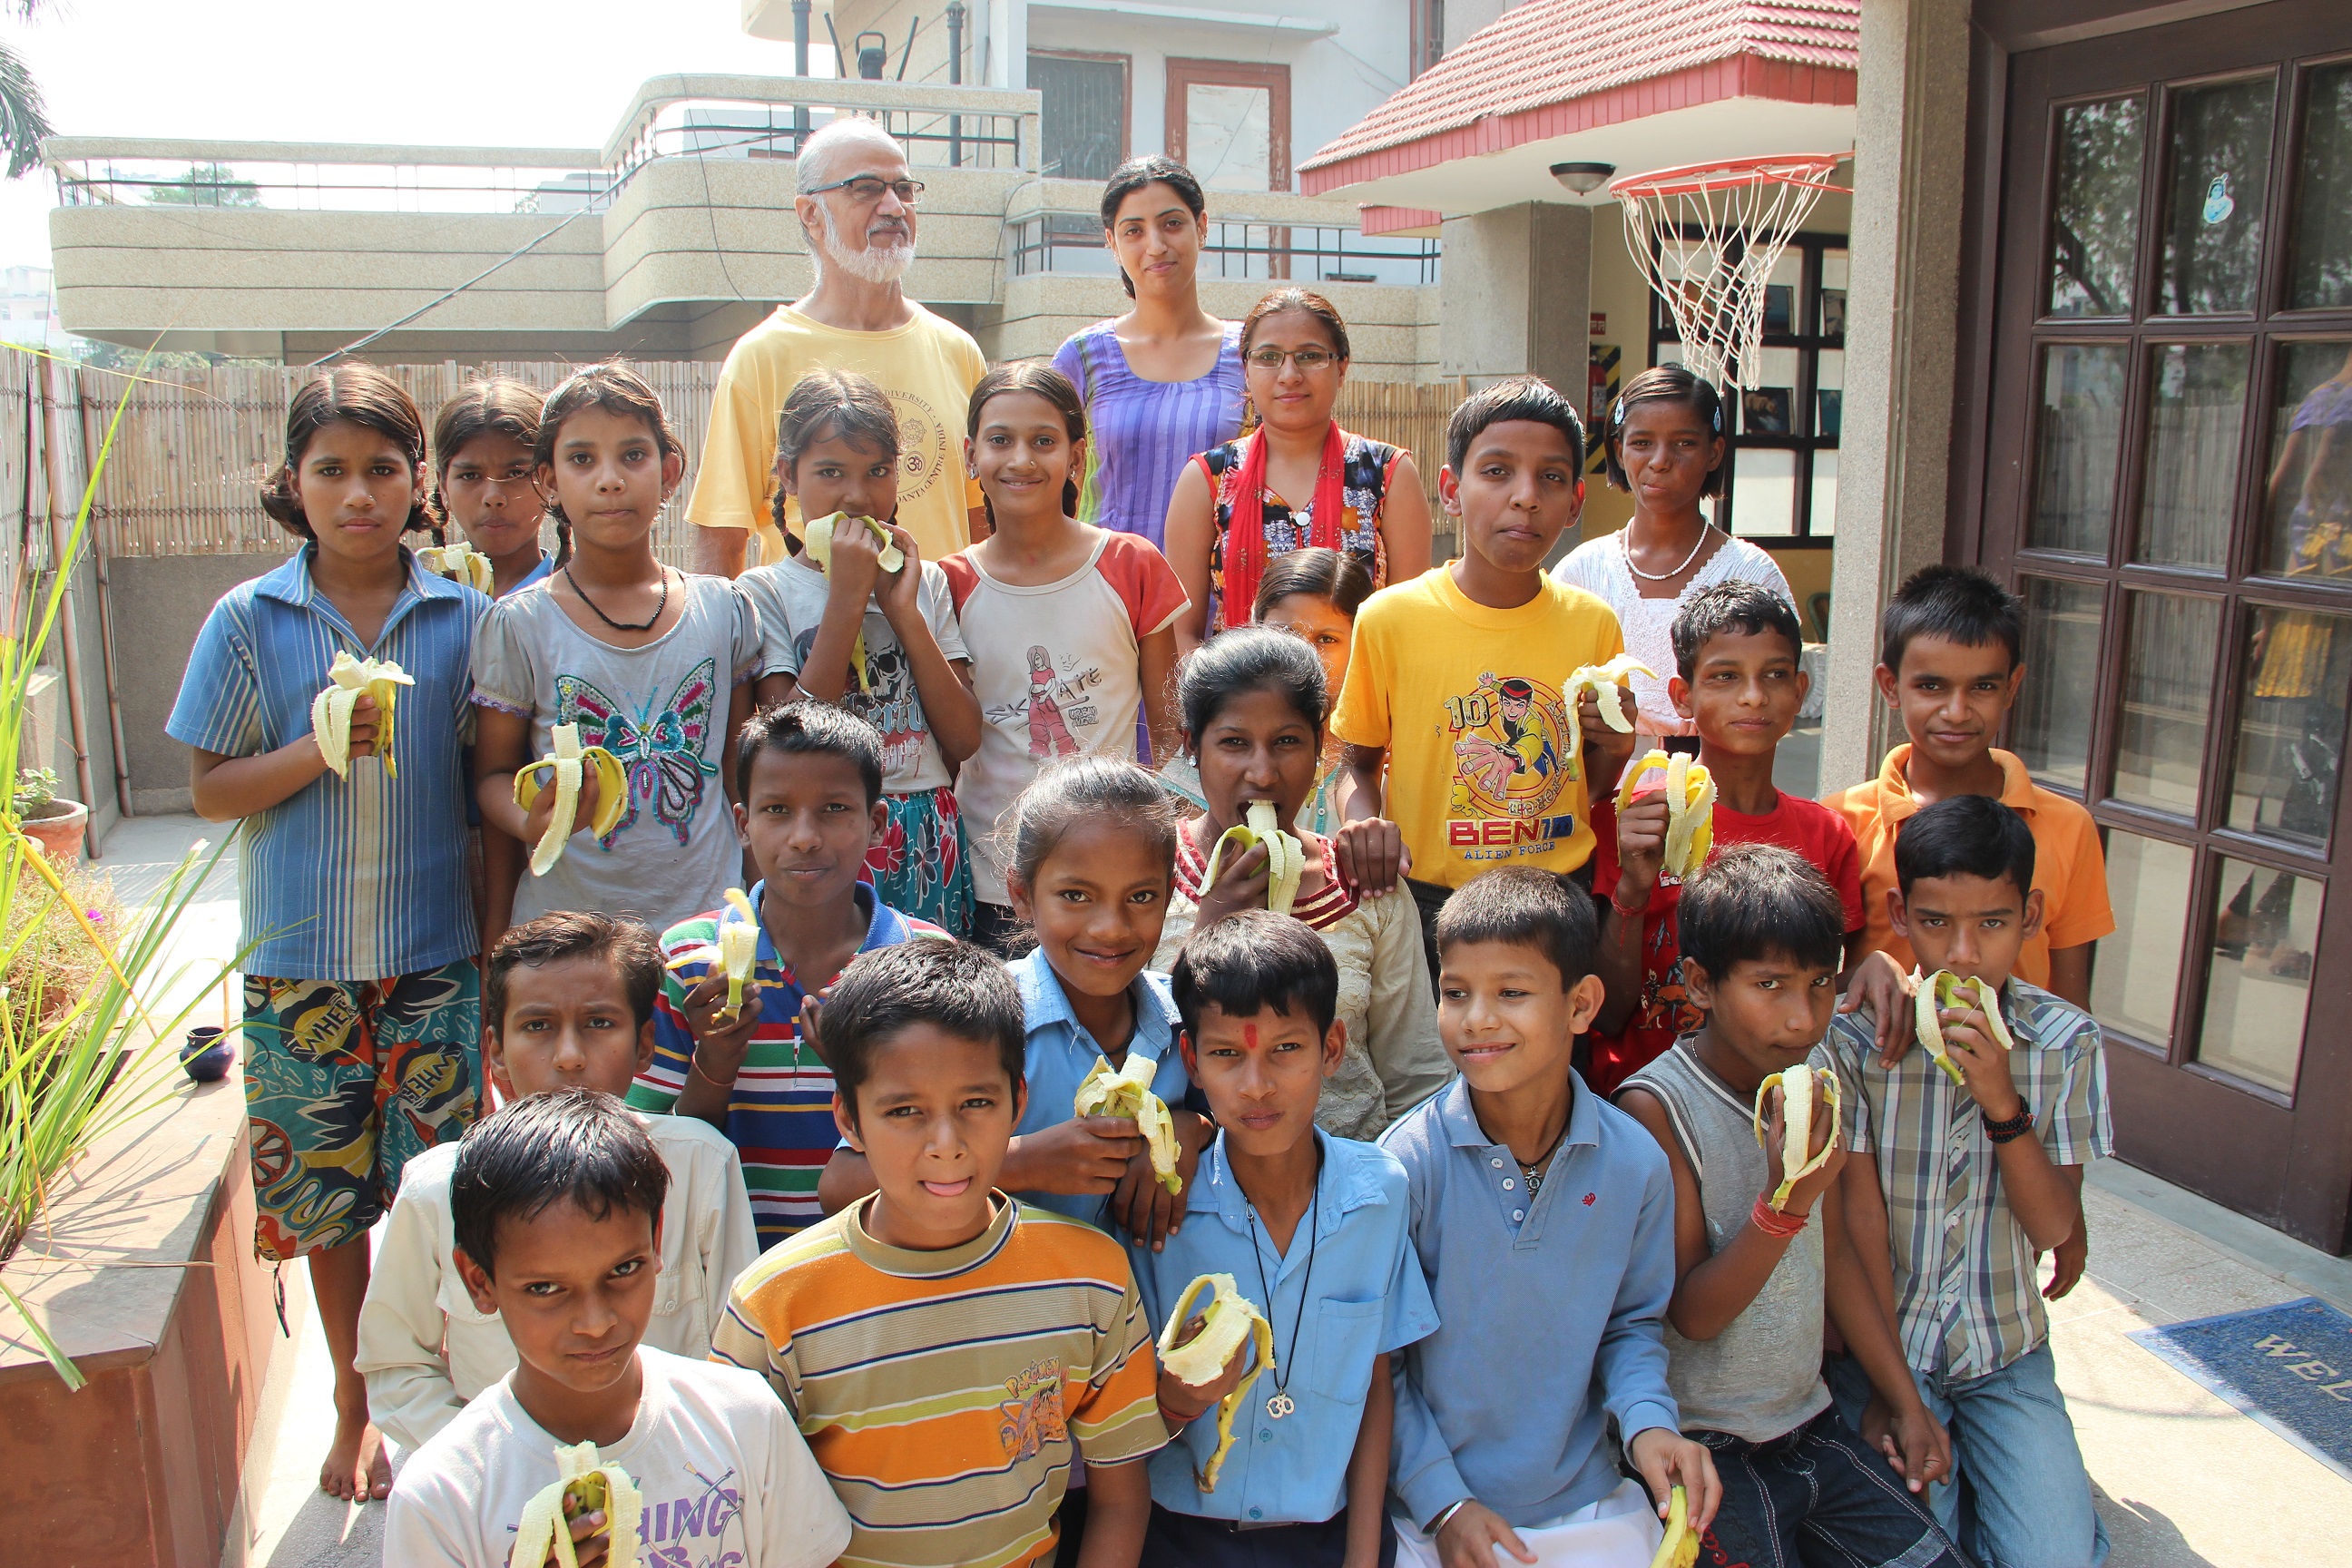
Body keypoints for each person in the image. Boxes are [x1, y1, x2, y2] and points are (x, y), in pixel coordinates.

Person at [169, 363, 486, 1503]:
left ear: (417, 483)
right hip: (299, 969)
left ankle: (428, 1388)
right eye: (331, 470)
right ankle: (355, 1403)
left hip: (433, 959)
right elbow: (208, 789)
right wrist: (320, 746)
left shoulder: (463, 615)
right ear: (292, 482)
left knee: (431, 1195)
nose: (359, 494)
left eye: (384, 469)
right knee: (327, 1203)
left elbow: (483, 779)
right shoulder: (250, 620)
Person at [712, 940, 1169, 1568]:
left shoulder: (1092, 1278)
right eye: (904, 1111)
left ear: (1019, 1100)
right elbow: (738, 1518)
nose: (946, 1145)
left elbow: (1120, 1498)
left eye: (976, 1103)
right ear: (848, 1119)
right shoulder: (775, 1302)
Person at [1614, 848, 1965, 1568]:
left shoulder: (1814, 1074)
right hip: (1703, 1443)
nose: (1803, 1015)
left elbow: (1832, 1253)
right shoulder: (1657, 1109)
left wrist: (1904, 1399)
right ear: (1701, 984)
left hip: (1809, 1423)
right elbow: (1694, 1313)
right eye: (1769, 984)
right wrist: (1783, 1205)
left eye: (1821, 983)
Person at [1380, 869, 1719, 1568]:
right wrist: (1443, 1502)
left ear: (1581, 1004)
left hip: (1586, 1505)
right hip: (1426, 1515)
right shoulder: (1406, 1168)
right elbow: (1382, 1367)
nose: (1476, 1018)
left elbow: (1631, 1326)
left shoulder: (1636, 1165)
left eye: (1511, 992)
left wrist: (1650, 1427)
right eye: (1455, 992)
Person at [383, 1090, 851, 1568]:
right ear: (479, 1281)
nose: (595, 1322)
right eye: (545, 1289)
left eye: (623, 1270)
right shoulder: (444, 1496)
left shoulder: (744, 1419)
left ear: (656, 1241)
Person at [1824, 797, 2113, 1568]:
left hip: (2005, 1354)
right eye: (1935, 923)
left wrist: (2001, 1102)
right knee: (1920, 1548)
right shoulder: (1859, 1042)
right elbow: (1856, 1230)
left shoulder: (2063, 1043)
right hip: (1889, 1350)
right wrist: (1896, 1392)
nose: (1962, 954)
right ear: (1900, 914)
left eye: (1992, 923)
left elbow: (2054, 1228)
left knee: (2054, 1556)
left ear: (2032, 916)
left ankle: (2037, 1499)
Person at [357, 912, 759, 1454]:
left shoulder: (701, 1165)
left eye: (598, 1024)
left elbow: (736, 1355)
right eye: (538, 1026)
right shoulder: (436, 1189)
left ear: (644, 1045)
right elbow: (397, 1364)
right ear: (495, 1051)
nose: (569, 1057)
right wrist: (495, 1466)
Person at [1828, 564, 2112, 1293]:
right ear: (1890, 687)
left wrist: (2067, 1203)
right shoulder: (1843, 822)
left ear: (2012, 687)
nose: (1957, 710)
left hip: (2005, 1105)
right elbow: (1813, 984)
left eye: (1982, 686)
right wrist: (1868, 966)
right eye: (1931, 687)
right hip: (1884, 1112)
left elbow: (2070, 1002)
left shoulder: (2068, 828)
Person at [1133, 912, 1437, 1568]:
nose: (1256, 1085)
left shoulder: (1378, 1195)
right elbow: (1117, 1425)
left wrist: (1362, 1556)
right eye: (1226, 1055)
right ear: (1190, 1058)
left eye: (1286, 1049)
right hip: (1181, 1539)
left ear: (1332, 1047)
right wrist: (1176, 1401)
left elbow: (1376, 1382)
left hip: (1329, 1538)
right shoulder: (1163, 1210)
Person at [818, 757, 1210, 1245]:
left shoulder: (1184, 1020)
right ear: (1021, 895)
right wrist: (1020, 1162)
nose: (1110, 927)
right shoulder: (967, 1018)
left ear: (1170, 894)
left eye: (1141, 897)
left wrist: (1191, 1128)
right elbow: (839, 1186)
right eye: (1075, 895)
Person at [1329, 377, 1637, 983]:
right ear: (1451, 490)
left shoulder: (1593, 624)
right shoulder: (1391, 618)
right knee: (1434, 1070)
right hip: (1428, 902)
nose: (1525, 497)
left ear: (1575, 502)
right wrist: (1362, 823)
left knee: (1546, 1067)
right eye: (1497, 471)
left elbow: (1588, 788)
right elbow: (1356, 764)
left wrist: (1617, 749)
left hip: (1557, 898)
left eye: (1550, 478)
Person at [630, 702, 946, 1249]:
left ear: (876, 824)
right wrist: (715, 1064)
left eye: (833, 809)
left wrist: (860, 1072)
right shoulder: (688, 961)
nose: (804, 837)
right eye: (777, 809)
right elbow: (652, 1151)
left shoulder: (924, 962)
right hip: (731, 1272)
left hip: (886, 1271)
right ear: (743, 823)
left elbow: (946, 1141)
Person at [471, 363, 760, 946]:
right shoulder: (520, 624)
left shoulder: (724, 610)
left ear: (670, 470)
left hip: (703, 934)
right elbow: (492, 776)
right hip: (569, 940)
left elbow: (743, 781)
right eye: (582, 460)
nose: (609, 479)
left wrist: (760, 914)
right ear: (548, 482)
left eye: (633, 456)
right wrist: (531, 818)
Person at [1151, 628, 1450, 1140]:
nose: (1262, 773)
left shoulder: (1364, 886)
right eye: (1233, 743)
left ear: (1321, 750)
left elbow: (1417, 1078)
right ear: (1191, 747)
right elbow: (1124, 1052)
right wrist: (1208, 927)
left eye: (1287, 741)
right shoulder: (1146, 876)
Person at [941, 363, 1189, 949]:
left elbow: (1172, 737)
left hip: (1111, 882)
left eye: (1043, 441)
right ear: (970, 454)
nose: (1021, 459)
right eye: (1000, 440)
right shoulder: (944, 584)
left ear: (1076, 456)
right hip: (990, 885)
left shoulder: (1132, 565)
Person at [1586, 583, 1863, 1093]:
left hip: (1772, 1105)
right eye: (1725, 677)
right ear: (1682, 696)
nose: (1753, 695)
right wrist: (1632, 891)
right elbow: (1605, 1015)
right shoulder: (1636, 817)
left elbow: (1832, 990)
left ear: (1801, 691)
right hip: (1638, 1102)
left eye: (1774, 675)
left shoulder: (1826, 836)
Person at [689, 118, 987, 573]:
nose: (893, 206)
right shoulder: (761, 356)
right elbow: (721, 535)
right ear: (810, 213)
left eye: (904, 189)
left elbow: (980, 517)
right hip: (814, 640)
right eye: (865, 188)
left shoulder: (958, 351)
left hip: (941, 636)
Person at [744, 368, 982, 935]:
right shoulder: (764, 592)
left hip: (923, 821)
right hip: (824, 830)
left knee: (921, 999)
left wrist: (901, 611)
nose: (857, 494)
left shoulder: (926, 584)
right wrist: (848, 598)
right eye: (830, 472)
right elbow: (788, 734)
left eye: (878, 472)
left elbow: (964, 738)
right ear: (788, 476)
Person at [1164, 289, 1432, 648]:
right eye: (1269, 357)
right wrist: (1230, 702)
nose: (1289, 375)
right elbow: (1182, 635)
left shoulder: (1388, 475)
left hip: (1362, 698)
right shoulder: (1207, 480)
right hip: (1239, 696)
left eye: (1309, 356)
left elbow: (1409, 627)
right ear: (1246, 369)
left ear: (1341, 367)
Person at [1553, 366, 1794, 750]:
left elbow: (1775, 692)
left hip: (1716, 784)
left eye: (1684, 443)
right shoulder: (1583, 571)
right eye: (1642, 442)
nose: (1660, 460)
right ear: (1619, 449)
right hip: (1596, 785)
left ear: (1714, 452)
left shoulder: (1750, 572)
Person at [1053, 156, 1245, 550]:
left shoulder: (1250, 353)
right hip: (1105, 589)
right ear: (1112, 242)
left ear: (1202, 227)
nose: (1156, 246)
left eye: (1172, 224)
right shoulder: (1083, 358)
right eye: (1134, 231)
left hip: (1224, 597)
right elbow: (1044, 475)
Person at [427, 376, 552, 599]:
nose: (493, 497)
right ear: (443, 487)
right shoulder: (421, 607)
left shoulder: (579, 609)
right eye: (470, 476)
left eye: (515, 473)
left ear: (551, 482)